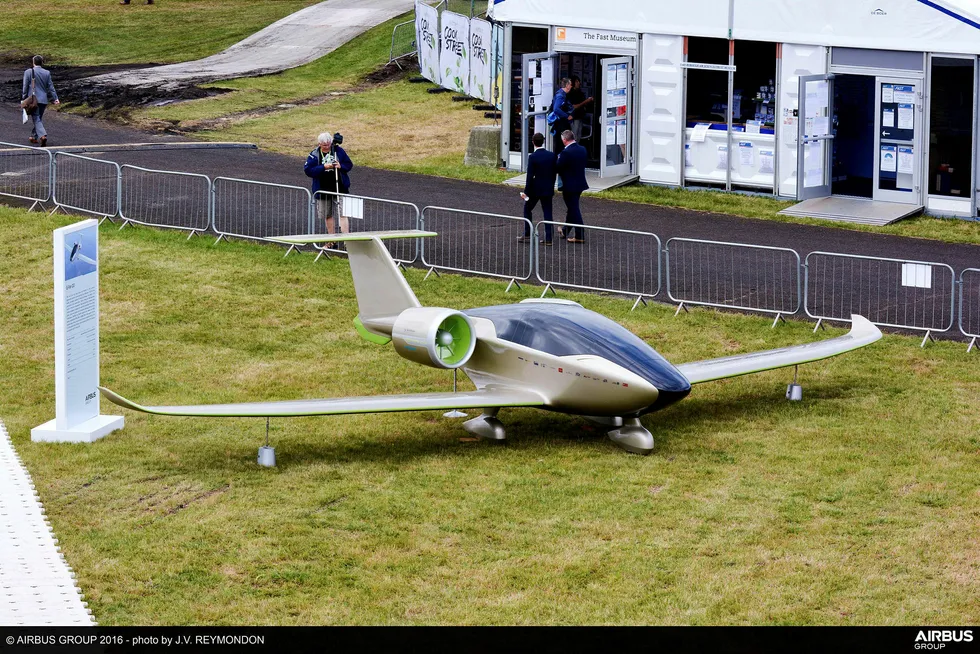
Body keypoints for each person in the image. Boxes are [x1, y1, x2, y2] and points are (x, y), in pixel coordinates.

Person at [304, 131, 353, 247]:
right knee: (327, 214)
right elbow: (308, 170)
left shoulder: (338, 151)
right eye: (324, 145)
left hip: (340, 187)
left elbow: (349, 164)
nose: (327, 146)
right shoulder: (314, 154)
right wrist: (323, 167)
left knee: (343, 213)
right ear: (319, 144)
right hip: (323, 188)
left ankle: (347, 241)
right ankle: (332, 240)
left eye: (328, 144)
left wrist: (341, 166)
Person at [517, 133, 557, 245]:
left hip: (535, 189)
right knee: (548, 213)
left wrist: (526, 192)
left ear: (533, 142)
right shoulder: (552, 155)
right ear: (543, 141)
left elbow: (530, 176)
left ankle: (527, 233)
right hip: (548, 188)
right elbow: (554, 172)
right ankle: (549, 238)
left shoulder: (533, 157)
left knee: (527, 209)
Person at [555, 130, 589, 243]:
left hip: (569, 185)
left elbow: (558, 167)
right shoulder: (582, 149)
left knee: (574, 209)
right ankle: (565, 230)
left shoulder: (566, 153)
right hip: (579, 183)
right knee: (572, 207)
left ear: (564, 140)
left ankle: (580, 235)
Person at [21, 55, 59, 147]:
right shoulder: (47, 73)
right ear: (42, 62)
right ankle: (33, 136)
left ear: (33, 62)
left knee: (36, 118)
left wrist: (23, 98)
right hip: (43, 100)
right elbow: (51, 87)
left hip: (33, 100)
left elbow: (25, 86)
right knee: (38, 118)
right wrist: (55, 98)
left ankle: (42, 135)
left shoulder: (28, 72)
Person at [549, 78, 573, 156]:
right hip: (560, 124)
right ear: (567, 85)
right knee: (561, 143)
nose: (571, 86)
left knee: (561, 143)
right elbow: (556, 109)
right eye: (570, 85)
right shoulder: (560, 95)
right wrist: (567, 116)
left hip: (561, 123)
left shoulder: (563, 95)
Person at [566, 76, 593, 142]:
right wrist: (586, 101)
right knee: (574, 136)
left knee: (579, 136)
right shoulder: (571, 94)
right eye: (577, 81)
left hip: (580, 116)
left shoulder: (579, 92)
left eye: (579, 81)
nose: (579, 83)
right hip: (574, 117)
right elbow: (574, 106)